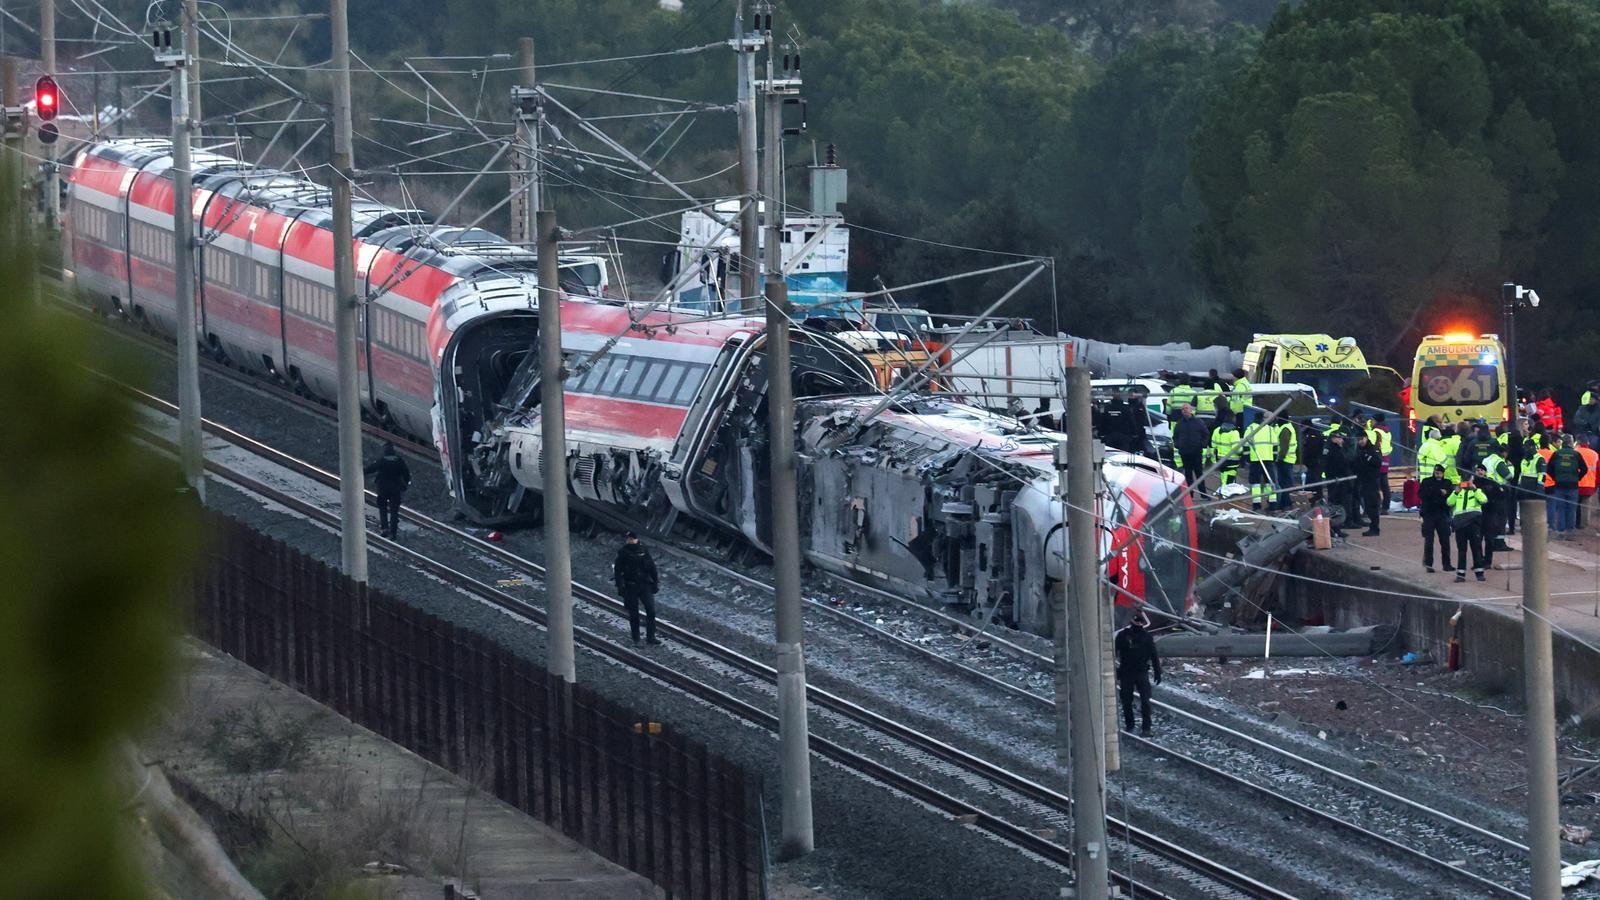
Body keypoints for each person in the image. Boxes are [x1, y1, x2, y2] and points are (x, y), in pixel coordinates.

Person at [1114, 611, 1162, 736]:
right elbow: (1113, 652)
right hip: (1126, 672)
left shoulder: (1146, 637)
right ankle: (1130, 725)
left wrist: (1158, 672)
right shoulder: (1123, 636)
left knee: (1146, 701)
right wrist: (1114, 671)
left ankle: (1146, 728)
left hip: (1141, 672)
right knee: (1126, 701)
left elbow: (1154, 655)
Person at [613, 531, 661, 644]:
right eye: (628, 539)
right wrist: (620, 587)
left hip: (644, 585)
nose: (629, 541)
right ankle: (636, 639)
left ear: (636, 539)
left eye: (631, 539)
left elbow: (652, 568)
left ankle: (651, 637)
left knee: (651, 611)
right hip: (630, 586)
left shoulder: (644, 551)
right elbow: (618, 571)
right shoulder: (623, 552)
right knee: (634, 614)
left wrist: (655, 582)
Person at [363, 441, 411, 539]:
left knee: (383, 508)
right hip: (395, 489)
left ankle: (384, 528)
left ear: (385, 451)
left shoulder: (382, 461)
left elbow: (371, 468)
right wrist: (405, 484)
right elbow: (406, 474)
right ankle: (393, 533)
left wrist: (362, 471)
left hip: (383, 488)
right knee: (394, 511)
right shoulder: (399, 461)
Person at [1448, 478, 1489, 582]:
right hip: (1460, 525)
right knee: (1462, 550)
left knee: (1476, 549)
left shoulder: (1476, 491)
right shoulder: (1457, 492)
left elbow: (1484, 500)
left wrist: (1475, 490)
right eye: (1464, 482)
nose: (1466, 484)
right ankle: (1461, 575)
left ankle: (1479, 573)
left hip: (1473, 524)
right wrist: (1455, 492)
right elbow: (1449, 502)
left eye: (1468, 482)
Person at [1548, 435, 1589, 539]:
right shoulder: (1576, 454)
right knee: (1571, 509)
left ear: (1562, 443)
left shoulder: (1556, 454)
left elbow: (1548, 468)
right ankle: (1570, 533)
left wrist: (1555, 477)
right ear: (1571, 443)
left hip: (1559, 484)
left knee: (1560, 509)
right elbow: (1585, 469)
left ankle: (1561, 532)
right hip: (1573, 485)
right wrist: (1577, 478)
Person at [1418, 464, 1453, 573]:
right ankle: (1429, 564)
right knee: (1429, 541)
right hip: (1429, 514)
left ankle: (1446, 564)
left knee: (1445, 541)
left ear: (1443, 473)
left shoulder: (1447, 483)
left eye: (1440, 472)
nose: (1438, 474)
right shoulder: (1426, 482)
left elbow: (1450, 497)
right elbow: (1422, 494)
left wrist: (1439, 494)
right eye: (1436, 472)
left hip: (1443, 514)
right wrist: (1439, 492)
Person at [1172, 404, 1210, 491]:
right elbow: (1175, 436)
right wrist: (1178, 445)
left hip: (1196, 452)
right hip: (1184, 453)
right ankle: (1190, 494)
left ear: (1191, 410)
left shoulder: (1198, 422)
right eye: (1182, 409)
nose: (1184, 410)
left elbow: (1206, 434)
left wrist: (1202, 444)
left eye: (1186, 408)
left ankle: (1203, 494)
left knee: (1199, 474)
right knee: (1188, 474)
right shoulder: (1179, 423)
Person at [1322, 432, 1353, 538]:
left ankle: (1337, 528)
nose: (1342, 441)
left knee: (1337, 504)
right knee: (1337, 505)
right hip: (1337, 480)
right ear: (1334, 439)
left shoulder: (1330, 449)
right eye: (1340, 438)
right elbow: (1341, 463)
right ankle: (1336, 528)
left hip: (1336, 480)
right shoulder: (1334, 450)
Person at [1354, 431, 1385, 535]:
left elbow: (1378, 462)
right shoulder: (1358, 450)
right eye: (1358, 440)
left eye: (1362, 439)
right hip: (1363, 480)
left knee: (1372, 504)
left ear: (1366, 438)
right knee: (1367, 504)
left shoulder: (1373, 449)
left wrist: (1367, 456)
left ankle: (1375, 527)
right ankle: (1373, 526)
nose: (1360, 441)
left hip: (1372, 480)